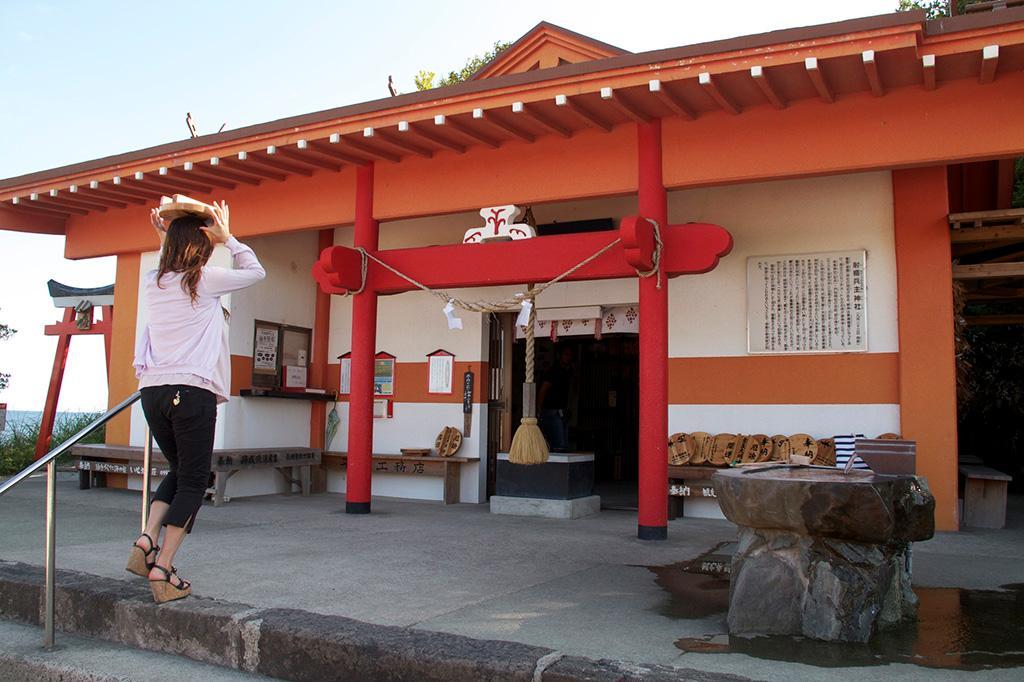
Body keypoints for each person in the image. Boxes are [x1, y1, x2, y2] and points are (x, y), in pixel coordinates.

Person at [125, 201, 265, 603]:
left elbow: (172, 263)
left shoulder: (155, 280)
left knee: (181, 469)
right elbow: (256, 272)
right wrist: (229, 238)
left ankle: (146, 539)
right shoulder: (203, 279)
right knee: (195, 479)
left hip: (153, 392)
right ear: (202, 247)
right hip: (191, 392)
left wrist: (166, 237)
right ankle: (163, 568)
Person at [537, 345, 575, 450]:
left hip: (562, 412)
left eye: (570, 355)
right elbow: (542, 391)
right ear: (559, 356)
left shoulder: (567, 372)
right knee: (559, 444)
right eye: (566, 355)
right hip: (551, 412)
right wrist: (539, 411)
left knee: (563, 444)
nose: (568, 357)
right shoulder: (553, 372)